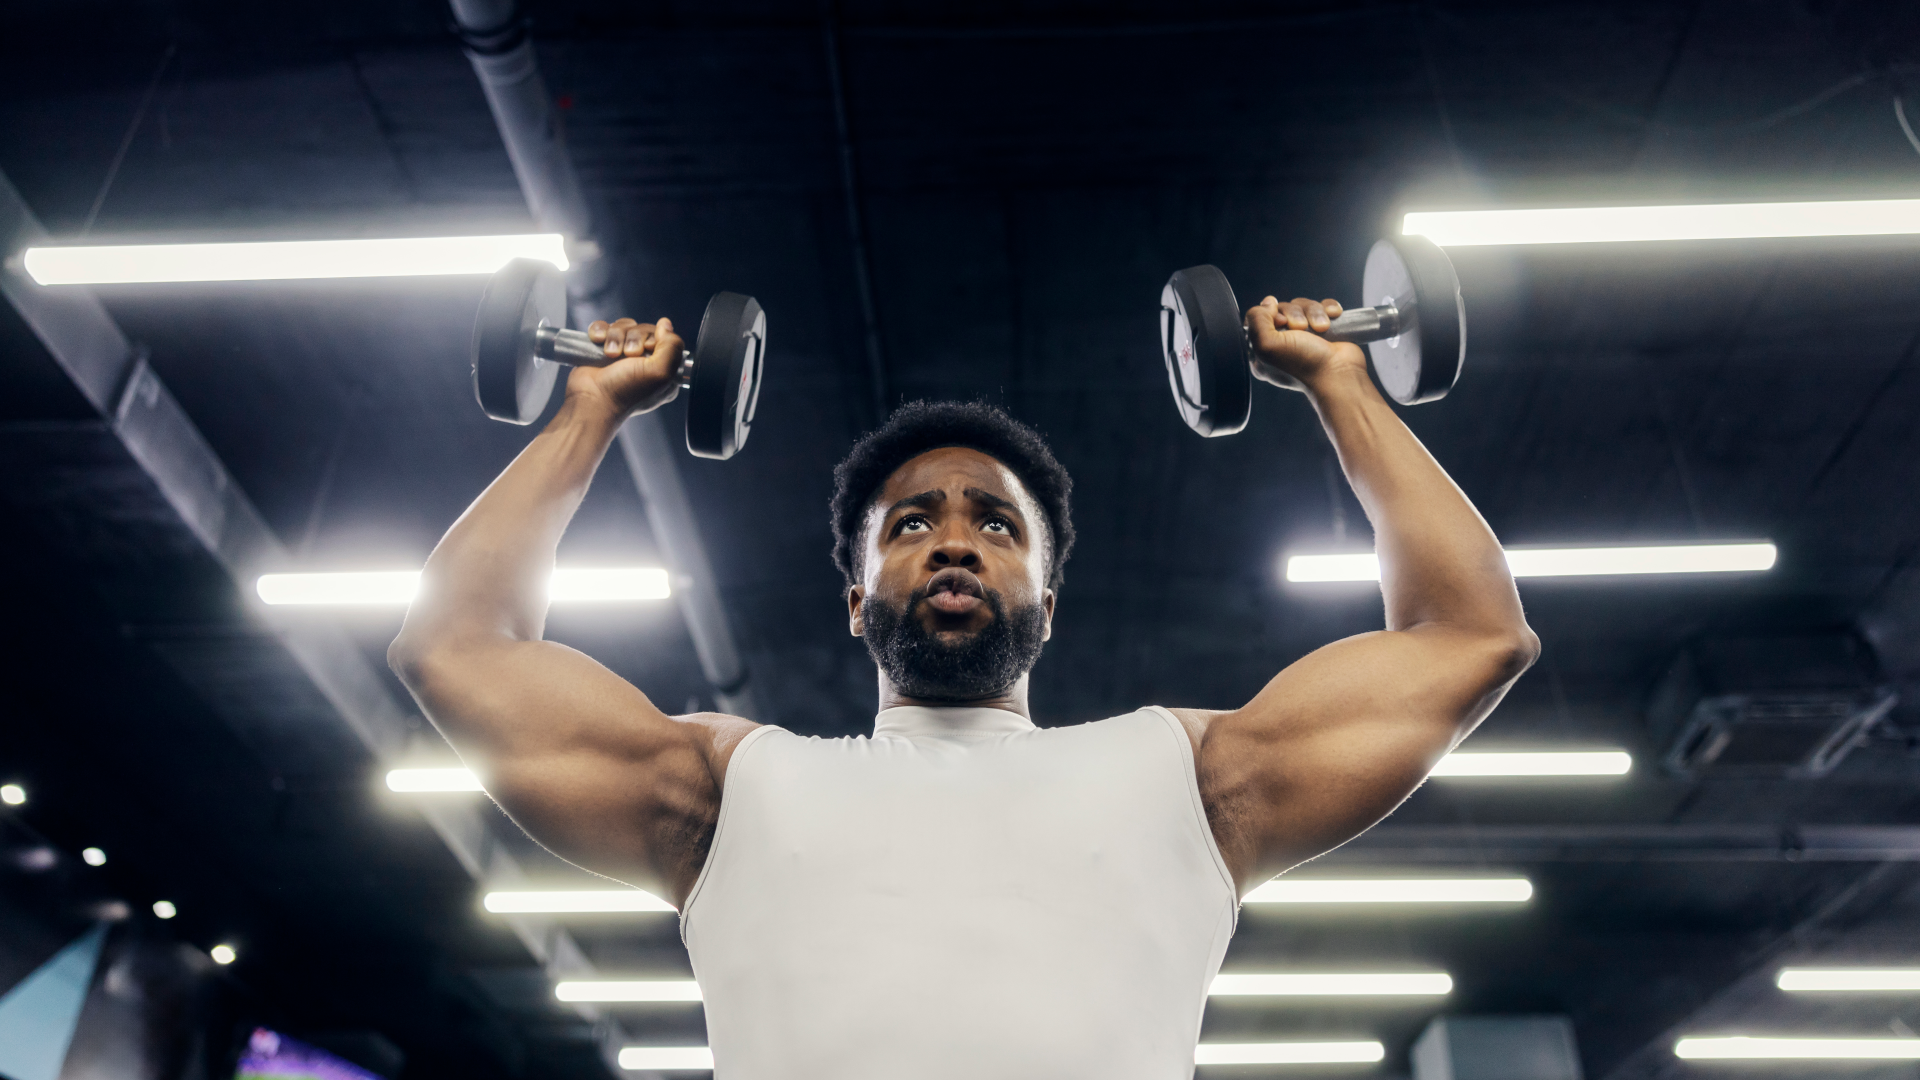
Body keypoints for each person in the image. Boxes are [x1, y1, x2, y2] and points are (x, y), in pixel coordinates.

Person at [389, 296, 1539, 1079]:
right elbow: (455, 649)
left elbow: (1470, 635)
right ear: (856, 602)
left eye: (996, 524)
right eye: (909, 524)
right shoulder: (724, 791)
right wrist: (590, 410)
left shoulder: (1189, 779)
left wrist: (1343, 383)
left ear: (1049, 603)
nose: (952, 541)